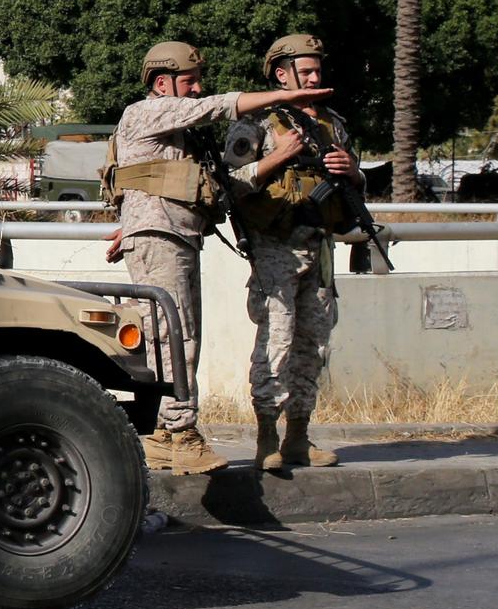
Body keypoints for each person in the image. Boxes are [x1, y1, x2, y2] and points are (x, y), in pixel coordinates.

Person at [103, 41, 333, 475]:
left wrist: (280, 159)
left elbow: (224, 188)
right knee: (176, 336)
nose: (197, 89)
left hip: (176, 236)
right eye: (189, 81)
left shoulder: (184, 139)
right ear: (161, 82)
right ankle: (182, 434)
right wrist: (283, 97)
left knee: (179, 336)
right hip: (162, 236)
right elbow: (220, 106)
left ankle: (168, 436)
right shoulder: (144, 112)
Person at [227, 33, 359, 470]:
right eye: (307, 70)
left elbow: (356, 186)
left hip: (318, 246)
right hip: (275, 248)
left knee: (313, 344)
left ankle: (298, 436)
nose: (315, 76)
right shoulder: (257, 124)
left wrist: (351, 170)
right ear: (282, 74)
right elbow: (230, 184)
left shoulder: (332, 124)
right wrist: (277, 157)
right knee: (276, 342)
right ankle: (267, 438)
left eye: (318, 68)